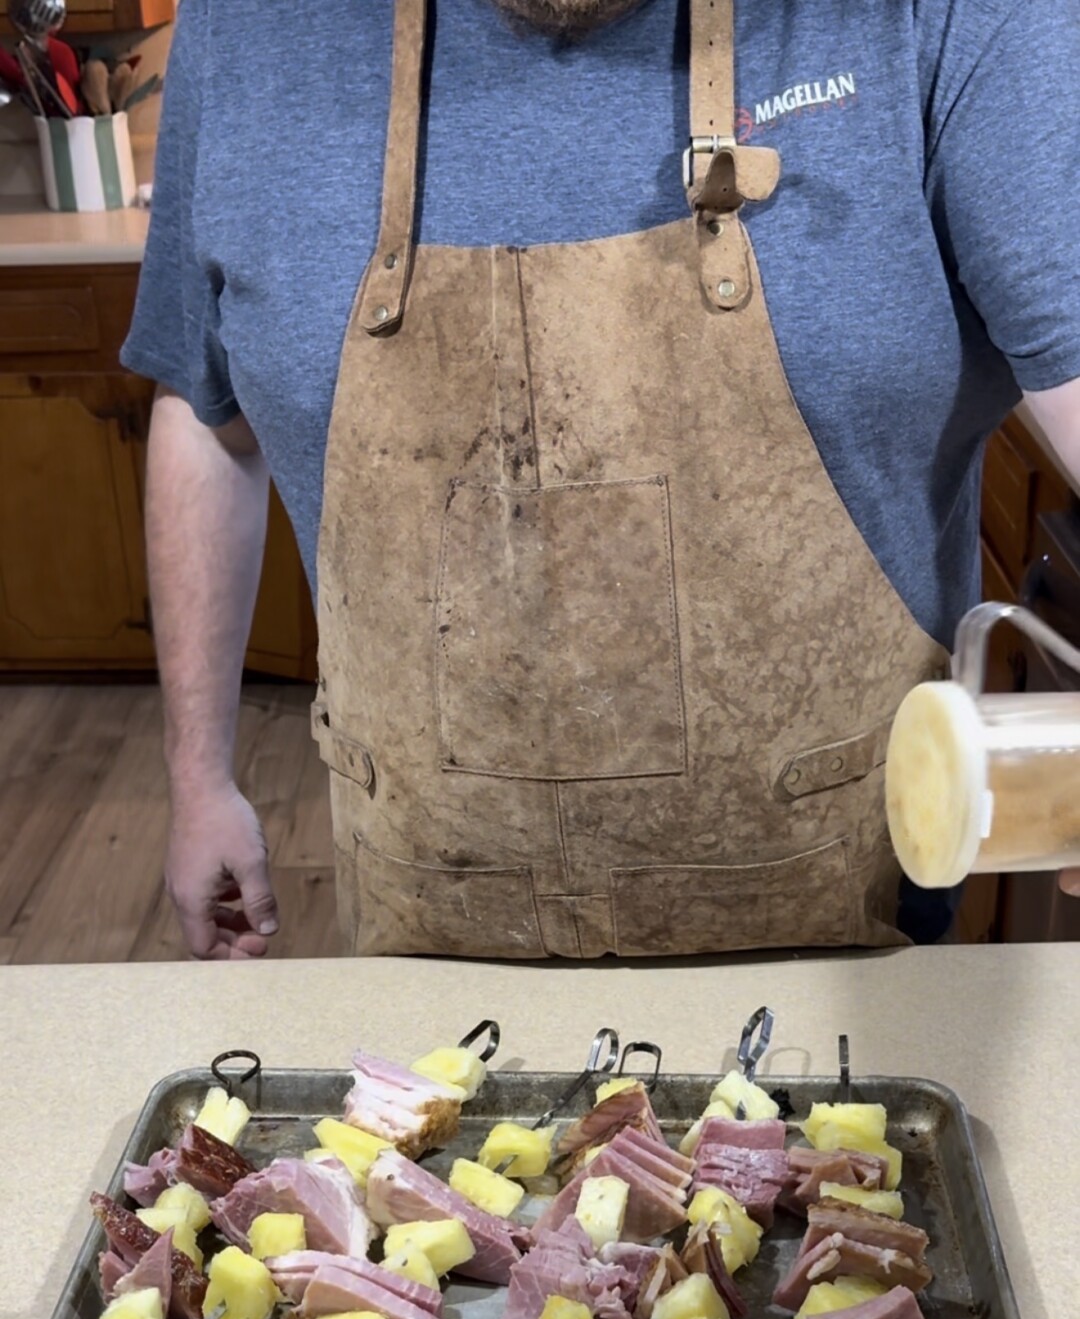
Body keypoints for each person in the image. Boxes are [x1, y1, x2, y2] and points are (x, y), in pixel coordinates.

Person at [122, 0, 1080, 962]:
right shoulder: (245, 26)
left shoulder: (951, 16)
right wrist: (198, 775)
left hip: (854, 954)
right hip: (427, 949)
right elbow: (211, 418)